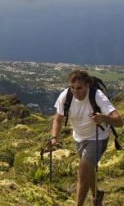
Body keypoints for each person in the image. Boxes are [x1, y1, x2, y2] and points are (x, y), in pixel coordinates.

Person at [48, 69, 123, 206]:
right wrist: (54, 138)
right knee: (89, 169)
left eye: (79, 88)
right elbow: (58, 119)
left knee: (83, 171)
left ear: (87, 85)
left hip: (98, 137)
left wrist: (103, 117)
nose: (75, 91)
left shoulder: (97, 96)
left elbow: (119, 121)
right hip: (79, 138)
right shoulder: (66, 96)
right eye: (72, 87)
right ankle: (96, 195)